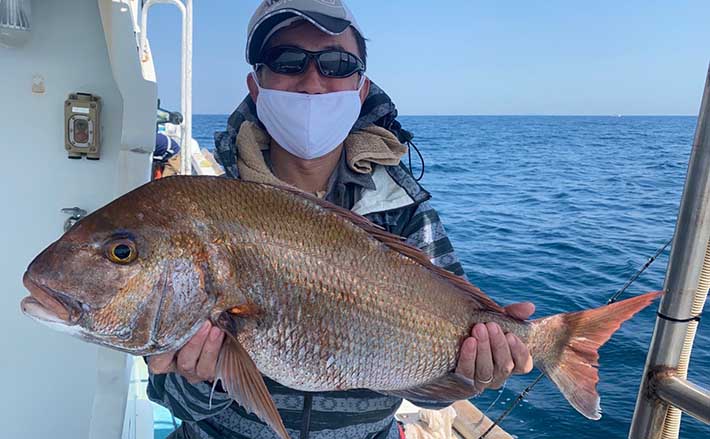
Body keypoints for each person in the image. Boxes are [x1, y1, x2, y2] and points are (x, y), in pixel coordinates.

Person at [147, 1, 535, 438]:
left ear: (361, 88)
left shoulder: (403, 209)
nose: (313, 83)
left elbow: (434, 391)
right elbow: (167, 397)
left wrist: (473, 370)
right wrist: (202, 381)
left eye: (336, 64)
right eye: (287, 61)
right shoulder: (204, 200)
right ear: (257, 86)